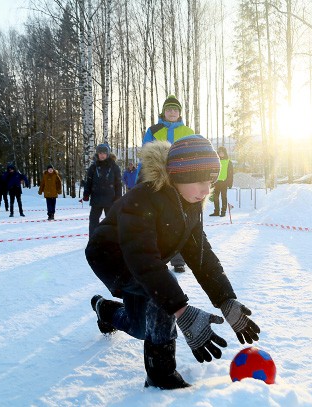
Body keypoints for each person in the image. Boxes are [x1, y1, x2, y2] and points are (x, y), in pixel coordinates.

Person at [86, 135, 260, 390]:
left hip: (146, 261)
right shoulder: (142, 199)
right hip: (112, 260)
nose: (206, 189)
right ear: (179, 176)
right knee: (163, 298)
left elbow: (202, 257)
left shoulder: (190, 204)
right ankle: (161, 373)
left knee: (140, 328)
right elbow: (143, 260)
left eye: (210, 181)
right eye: (200, 181)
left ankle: (105, 310)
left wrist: (226, 299)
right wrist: (181, 310)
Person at [140, 94, 195, 273]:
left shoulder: (188, 131)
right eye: (169, 109)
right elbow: (146, 154)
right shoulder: (153, 130)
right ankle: (157, 258)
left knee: (178, 219)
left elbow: (194, 155)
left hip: (180, 179)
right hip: (158, 179)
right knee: (156, 218)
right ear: (164, 112)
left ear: (180, 112)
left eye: (175, 109)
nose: (172, 112)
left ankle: (178, 259)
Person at [82, 143, 122, 236]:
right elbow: (89, 182)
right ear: (97, 154)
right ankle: (93, 239)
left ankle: (112, 240)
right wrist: (86, 194)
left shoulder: (114, 167)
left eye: (104, 153)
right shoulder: (93, 167)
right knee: (93, 221)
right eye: (100, 153)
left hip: (110, 199)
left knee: (112, 222)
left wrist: (118, 197)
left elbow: (118, 184)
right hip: (96, 199)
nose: (102, 155)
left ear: (108, 154)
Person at [210, 146, 234, 217]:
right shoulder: (216, 161)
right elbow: (213, 171)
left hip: (224, 182)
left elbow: (230, 174)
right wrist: (211, 181)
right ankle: (216, 211)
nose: (221, 154)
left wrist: (230, 183)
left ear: (225, 153)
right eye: (219, 152)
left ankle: (223, 211)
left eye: (222, 152)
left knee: (224, 197)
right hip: (216, 182)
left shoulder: (228, 162)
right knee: (215, 197)